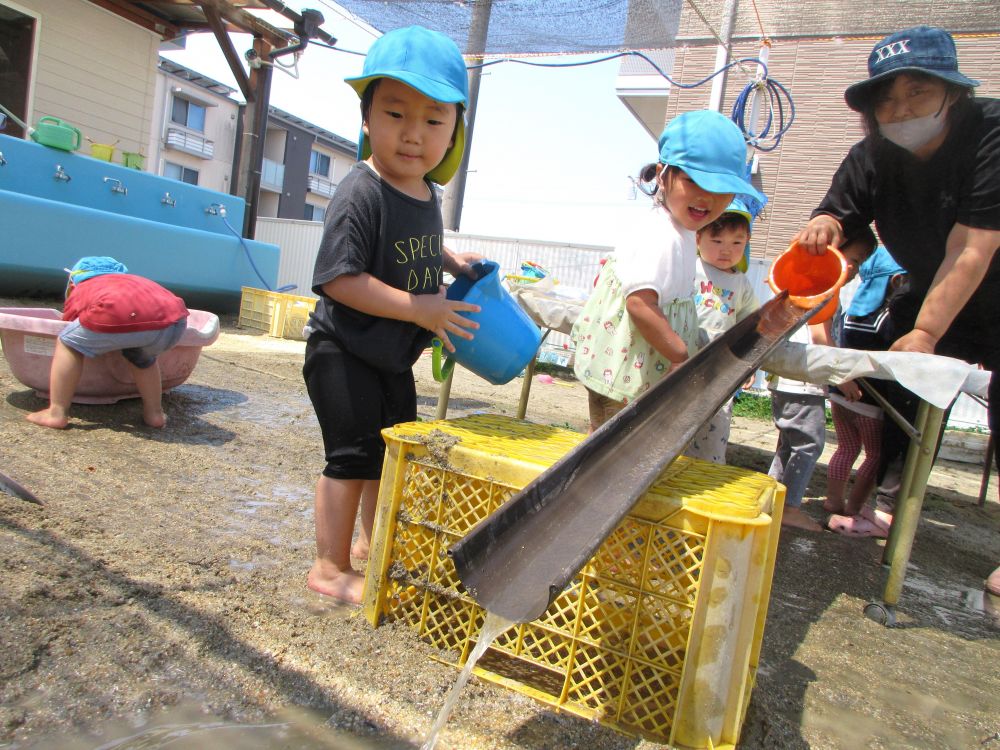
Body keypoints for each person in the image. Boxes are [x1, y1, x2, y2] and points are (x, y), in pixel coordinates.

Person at [795, 26, 999, 584]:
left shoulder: (991, 133)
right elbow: (844, 225)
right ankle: (882, 506)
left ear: (952, 92)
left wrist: (928, 332)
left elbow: (972, 245)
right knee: (897, 399)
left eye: (916, 91)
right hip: (928, 284)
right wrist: (825, 226)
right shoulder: (872, 155)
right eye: (885, 97)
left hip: (989, 285)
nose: (899, 107)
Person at [302, 26, 483, 604]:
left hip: (390, 354)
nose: (413, 134)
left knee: (389, 452)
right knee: (350, 457)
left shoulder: (425, 193)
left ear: (454, 129)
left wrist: (451, 261)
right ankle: (328, 568)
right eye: (396, 113)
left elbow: (410, 251)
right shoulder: (361, 191)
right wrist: (419, 308)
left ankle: (370, 546)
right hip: (343, 348)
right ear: (366, 118)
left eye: (433, 120)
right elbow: (339, 278)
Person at [571, 110, 765, 431]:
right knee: (610, 453)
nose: (707, 197)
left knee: (612, 450)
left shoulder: (683, 232)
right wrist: (679, 354)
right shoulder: (661, 236)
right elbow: (639, 304)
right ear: (662, 175)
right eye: (693, 180)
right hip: (625, 372)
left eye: (721, 189)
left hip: (638, 370)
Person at [25, 256, 189, 430]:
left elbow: (69, 322)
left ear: (72, 285)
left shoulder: (84, 287)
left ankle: (56, 412)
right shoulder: (133, 282)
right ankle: (155, 414)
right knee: (142, 358)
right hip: (175, 322)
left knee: (68, 342)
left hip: (118, 312)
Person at [824, 241, 910, 537]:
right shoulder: (890, 317)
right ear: (896, 281)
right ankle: (854, 507)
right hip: (870, 399)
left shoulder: (852, 310)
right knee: (874, 455)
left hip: (840, 392)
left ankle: (833, 498)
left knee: (846, 447)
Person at [684, 198, 760, 464]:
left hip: (720, 371)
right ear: (698, 238)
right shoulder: (688, 269)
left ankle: (707, 472)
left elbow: (752, 324)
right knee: (672, 426)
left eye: (737, 243)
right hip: (681, 363)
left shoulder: (740, 283)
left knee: (715, 427)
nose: (726, 251)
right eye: (717, 242)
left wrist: (750, 364)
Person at [765, 319, 833, 532]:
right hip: (803, 382)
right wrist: (844, 377)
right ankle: (790, 509)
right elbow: (820, 337)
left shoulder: (793, 293)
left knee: (788, 444)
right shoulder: (821, 294)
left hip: (784, 376)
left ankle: (770, 499)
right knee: (808, 445)